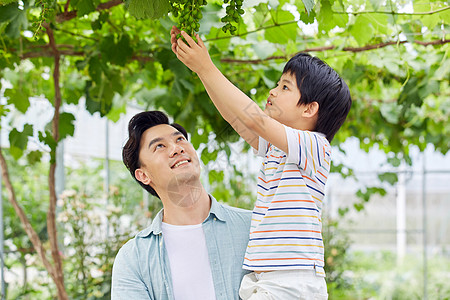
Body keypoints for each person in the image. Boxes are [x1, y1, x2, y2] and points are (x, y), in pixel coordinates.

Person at [171, 27, 351, 299]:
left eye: (285, 87)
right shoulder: (277, 148)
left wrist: (207, 67)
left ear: (309, 108)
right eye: (278, 84)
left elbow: (254, 119)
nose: (273, 91)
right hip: (269, 280)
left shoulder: (314, 146)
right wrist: (200, 70)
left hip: (292, 282)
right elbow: (238, 119)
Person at [111, 110, 252, 300]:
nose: (177, 149)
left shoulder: (254, 227)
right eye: (159, 146)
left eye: (179, 140)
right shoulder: (133, 259)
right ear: (143, 175)